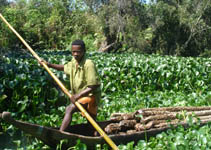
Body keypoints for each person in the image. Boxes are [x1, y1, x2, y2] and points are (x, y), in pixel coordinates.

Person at [40, 40, 101, 132]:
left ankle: (61, 134)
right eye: (73, 52)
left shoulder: (89, 64)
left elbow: (93, 86)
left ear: (84, 51)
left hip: (90, 96)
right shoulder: (74, 62)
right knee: (91, 124)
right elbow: (64, 67)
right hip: (81, 97)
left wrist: (77, 95)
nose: (75, 54)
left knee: (70, 109)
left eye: (78, 52)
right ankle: (94, 134)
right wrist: (49, 65)